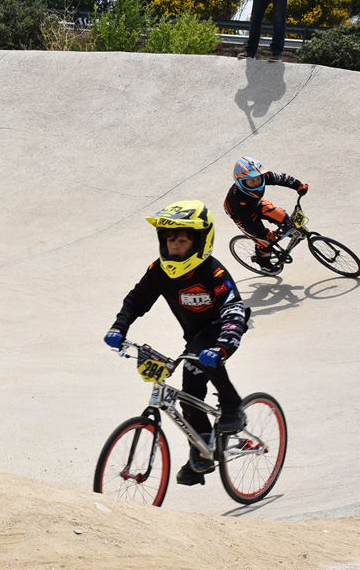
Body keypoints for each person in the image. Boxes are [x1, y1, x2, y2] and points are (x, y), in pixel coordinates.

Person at [103, 201, 250, 487]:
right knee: (188, 397)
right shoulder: (159, 270)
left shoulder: (213, 273)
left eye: (182, 240)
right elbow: (136, 300)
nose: (175, 245)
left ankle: (233, 406)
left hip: (219, 331)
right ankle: (203, 451)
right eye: (170, 239)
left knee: (199, 355)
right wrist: (119, 326)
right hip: (194, 339)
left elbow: (234, 310)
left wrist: (223, 346)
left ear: (199, 241)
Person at [223, 157, 308, 271]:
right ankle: (264, 264)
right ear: (241, 182)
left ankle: (289, 231)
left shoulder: (261, 177)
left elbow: (281, 178)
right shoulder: (237, 198)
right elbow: (247, 224)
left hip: (257, 205)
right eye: (252, 181)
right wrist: (266, 233)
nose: (256, 182)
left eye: (258, 178)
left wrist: (298, 185)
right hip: (243, 218)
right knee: (265, 243)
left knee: (281, 215)